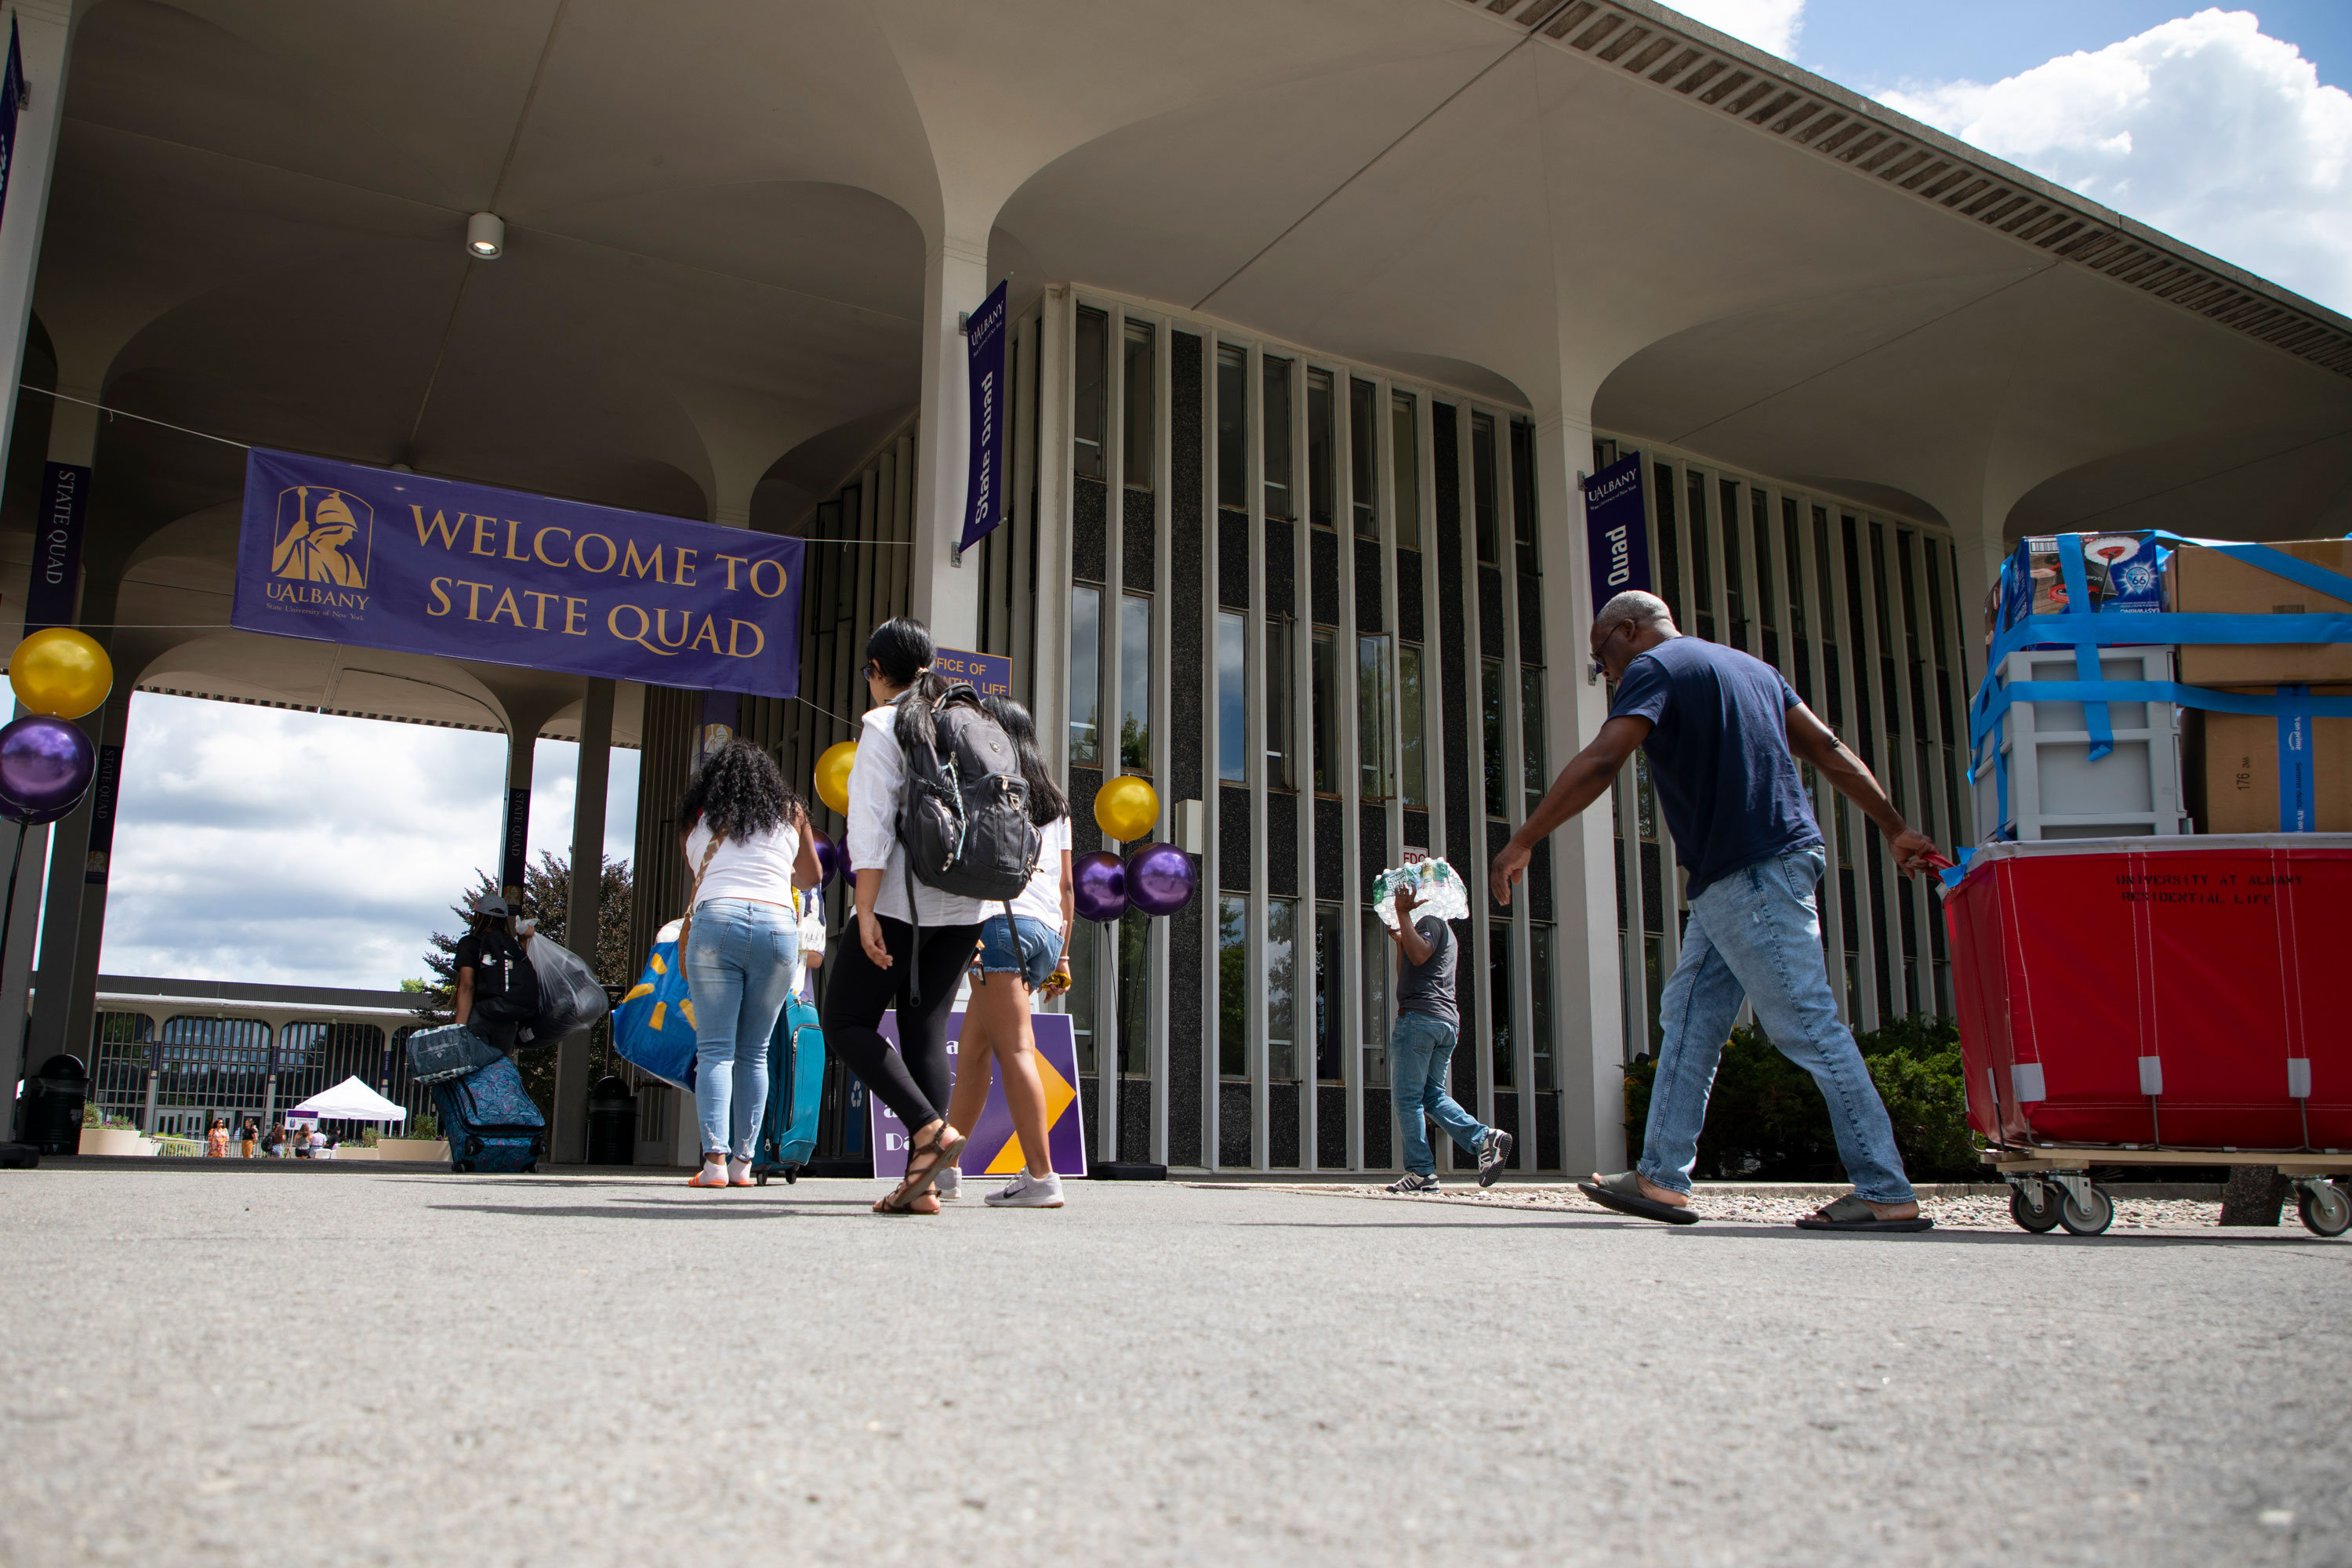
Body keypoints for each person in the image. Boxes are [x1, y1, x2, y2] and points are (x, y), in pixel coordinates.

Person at [1490, 590, 1936, 1232]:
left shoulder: (1655, 669)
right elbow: (1830, 750)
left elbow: (1603, 759)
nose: (1606, 673)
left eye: (1601, 657)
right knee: (1691, 1015)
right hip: (1739, 877)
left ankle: (1886, 1189)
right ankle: (1661, 1177)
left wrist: (1524, 838)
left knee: (1808, 1025)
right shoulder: (1754, 670)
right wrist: (1893, 827)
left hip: (1752, 870)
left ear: (1628, 630)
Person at [822, 617, 989, 1215]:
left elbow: (868, 824)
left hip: (900, 898)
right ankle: (931, 1180)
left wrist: (863, 910)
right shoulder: (971, 718)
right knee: (924, 1030)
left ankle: (929, 1131)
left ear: (876, 672)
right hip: (968, 899)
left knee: (844, 1019)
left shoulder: (885, 722)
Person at [938, 695, 1073, 1210]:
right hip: (1040, 934)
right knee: (973, 1054)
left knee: (1016, 1051)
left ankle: (1041, 1176)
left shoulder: (991, 788)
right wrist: (1060, 957)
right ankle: (945, 1169)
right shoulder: (1053, 802)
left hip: (1000, 928)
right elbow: (1065, 886)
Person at [676, 739, 822, 1190]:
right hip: (777, 927)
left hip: (717, 920)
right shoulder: (791, 814)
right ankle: (744, 1163)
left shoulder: (700, 823)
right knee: (755, 1051)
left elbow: (699, 872)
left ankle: (714, 1165)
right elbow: (812, 875)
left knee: (716, 1049)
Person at [1381, 880, 1512, 1194]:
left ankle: (1422, 1171)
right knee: (1432, 1096)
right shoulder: (1446, 931)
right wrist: (1401, 939)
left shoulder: (1431, 922)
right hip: (1444, 1023)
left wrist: (1402, 913)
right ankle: (1483, 1139)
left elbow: (1421, 955)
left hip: (1419, 1020)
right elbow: (1411, 964)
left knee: (1407, 1098)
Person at [452, 894, 535, 1053]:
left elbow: (467, 987)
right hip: (508, 1020)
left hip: (481, 1016)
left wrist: (459, 1030)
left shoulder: (471, 943)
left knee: (475, 1071)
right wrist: (523, 941)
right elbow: (516, 973)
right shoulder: (512, 944)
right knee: (498, 1070)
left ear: (478, 916)